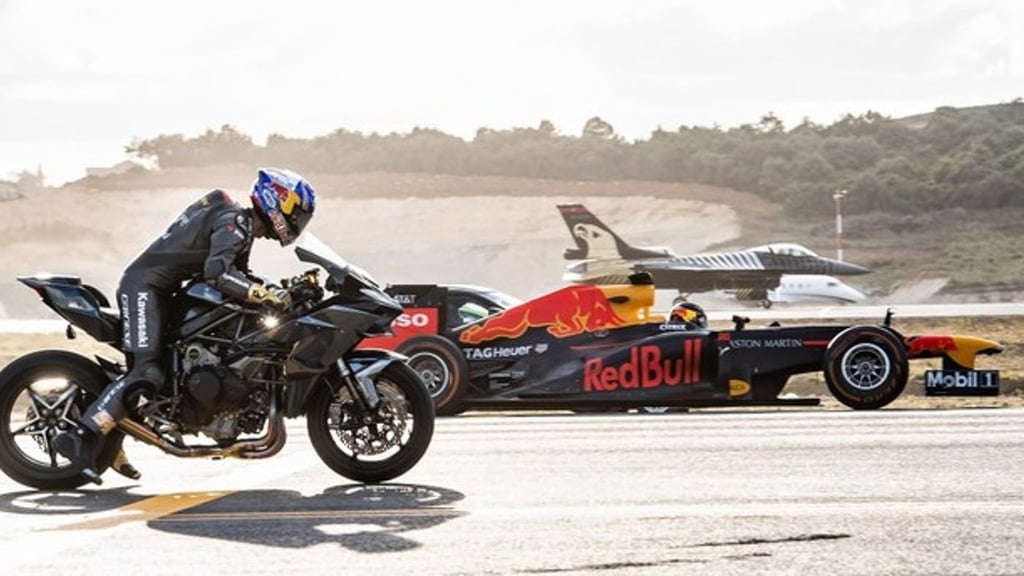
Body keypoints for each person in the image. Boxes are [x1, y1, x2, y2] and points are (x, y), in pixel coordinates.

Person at [53, 167, 317, 484]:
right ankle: (80, 437)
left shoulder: (241, 227)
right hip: (145, 289)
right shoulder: (233, 222)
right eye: (298, 213)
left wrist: (279, 292)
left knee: (167, 374)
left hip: (166, 293)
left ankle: (114, 438)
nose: (298, 223)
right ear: (280, 201)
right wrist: (265, 294)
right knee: (147, 373)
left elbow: (239, 277)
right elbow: (218, 274)